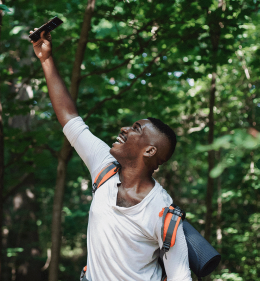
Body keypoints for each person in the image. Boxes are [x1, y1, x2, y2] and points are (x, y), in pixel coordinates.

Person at [30, 29, 192, 281]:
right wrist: (46, 59)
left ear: (149, 151)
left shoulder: (162, 212)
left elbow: (180, 278)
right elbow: (71, 120)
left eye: (136, 129)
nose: (124, 128)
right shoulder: (104, 167)